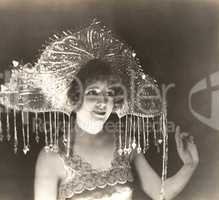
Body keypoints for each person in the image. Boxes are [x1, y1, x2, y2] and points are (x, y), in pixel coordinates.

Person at [34, 59, 199, 200]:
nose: (103, 101)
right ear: (75, 97)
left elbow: (159, 192)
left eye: (110, 93)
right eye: (93, 92)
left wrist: (190, 165)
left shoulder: (125, 143)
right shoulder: (51, 157)